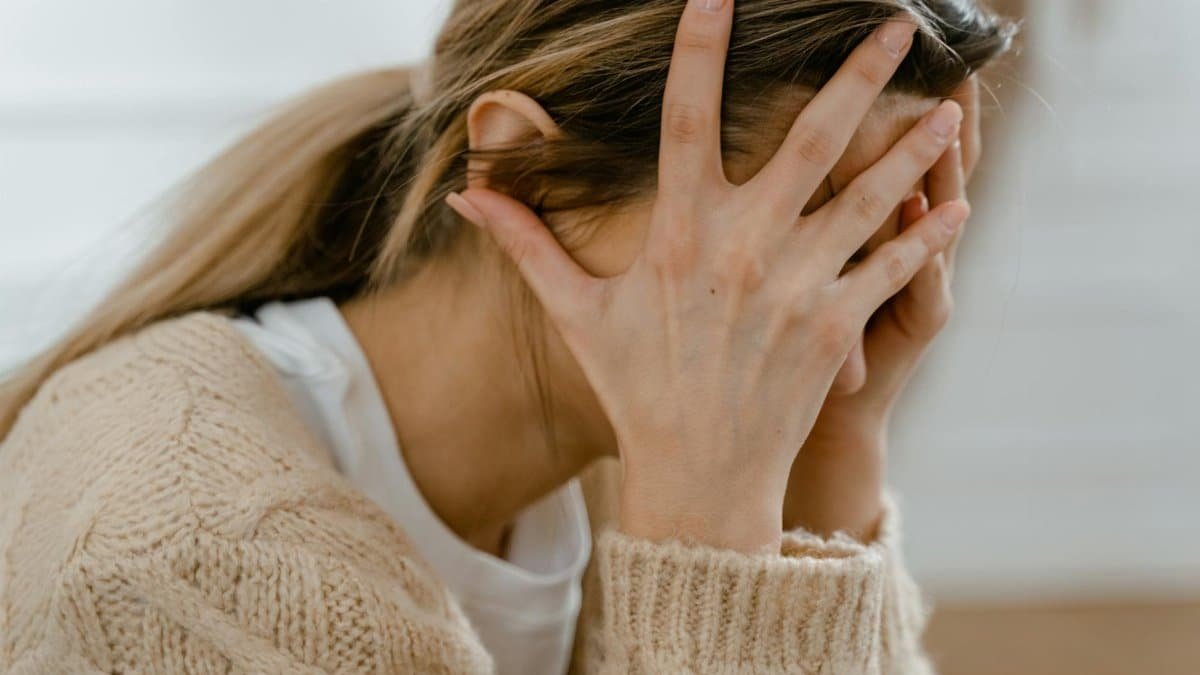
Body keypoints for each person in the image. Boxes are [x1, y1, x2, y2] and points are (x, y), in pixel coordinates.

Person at [0, 0, 1014, 672]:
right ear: (528, 171)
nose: (826, 332)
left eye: (878, 255)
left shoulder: (611, 464)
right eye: (790, 244)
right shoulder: (194, 563)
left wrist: (836, 449)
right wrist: (708, 544)